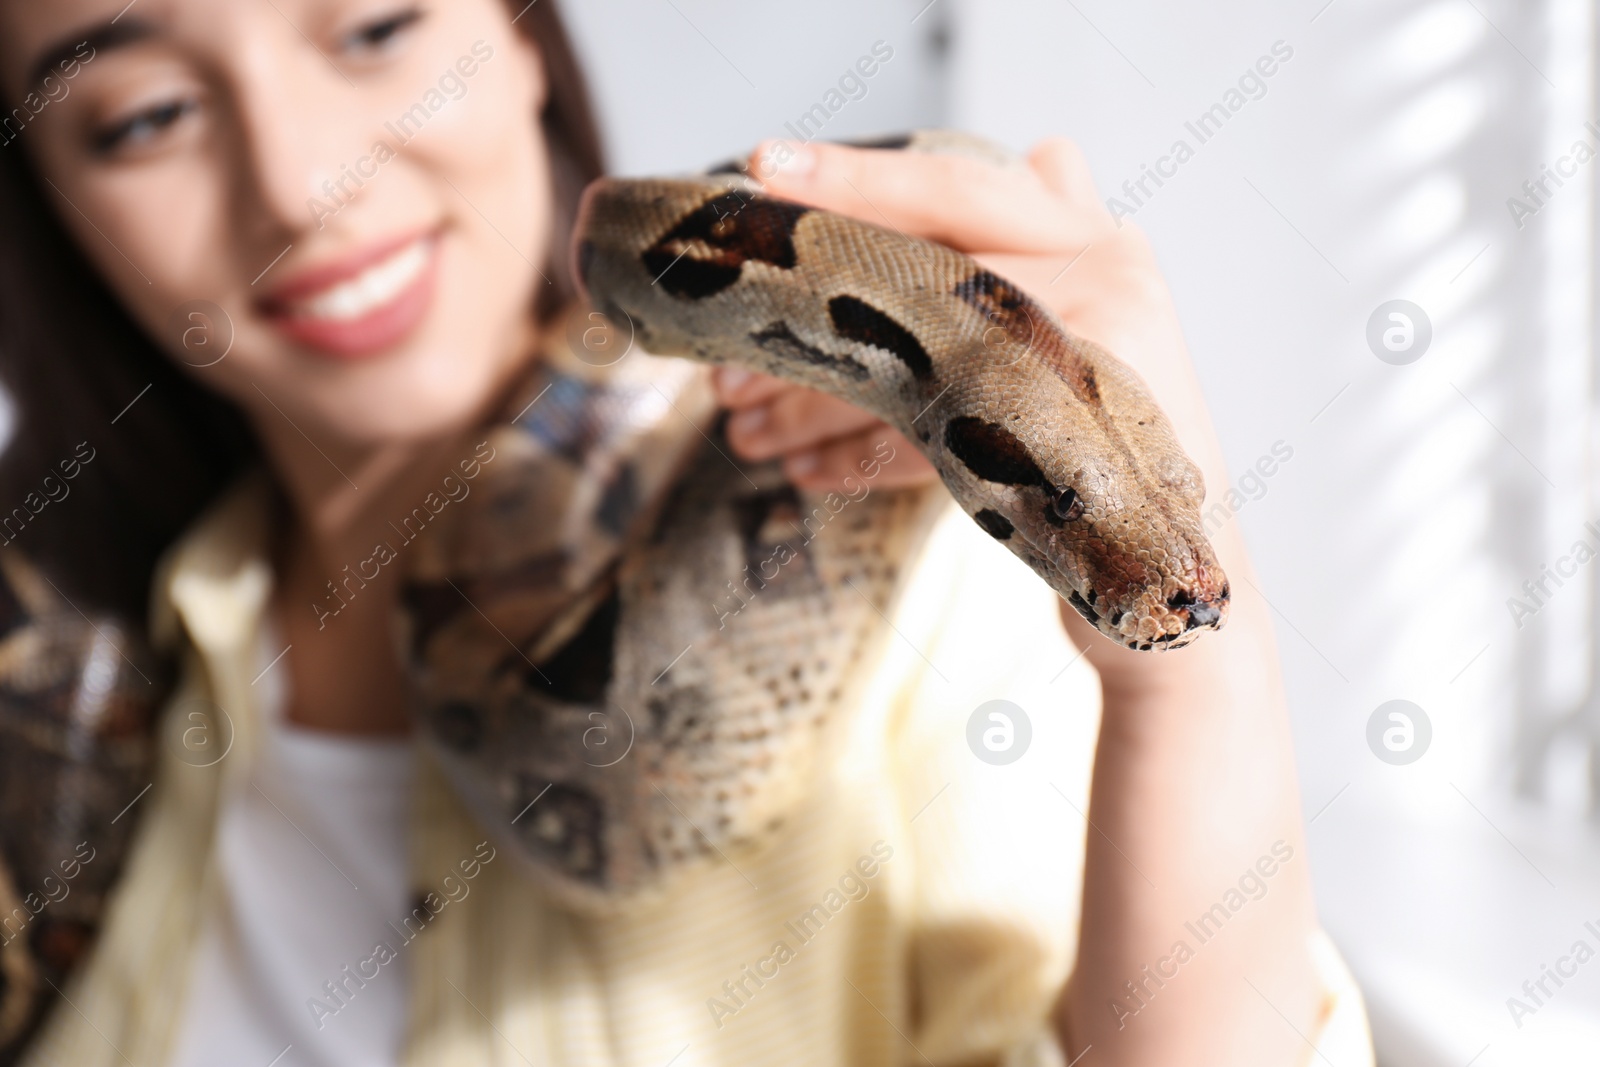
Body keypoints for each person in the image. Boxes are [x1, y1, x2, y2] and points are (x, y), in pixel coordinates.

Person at [0, 1, 1373, 1064]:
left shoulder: (900, 553)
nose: (304, 181)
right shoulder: (132, 630)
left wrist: (1187, 679)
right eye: (142, 114)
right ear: (53, 205)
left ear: (524, 36)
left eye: (373, 26)